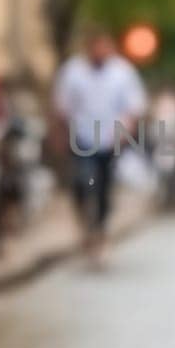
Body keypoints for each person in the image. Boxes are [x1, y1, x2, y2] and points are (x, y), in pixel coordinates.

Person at [52, 27, 146, 264]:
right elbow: (62, 107)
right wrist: (60, 135)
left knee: (103, 186)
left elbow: (134, 107)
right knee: (82, 182)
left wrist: (126, 132)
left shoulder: (122, 72)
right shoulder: (73, 72)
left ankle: (100, 230)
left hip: (110, 141)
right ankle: (86, 222)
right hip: (81, 138)